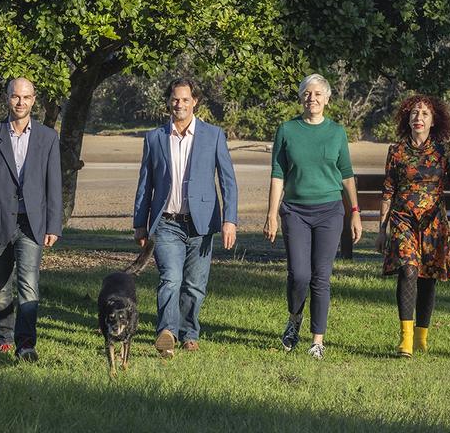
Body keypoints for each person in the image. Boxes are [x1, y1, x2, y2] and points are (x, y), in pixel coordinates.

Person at [133, 77, 238, 358]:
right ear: (168, 101)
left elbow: (228, 180)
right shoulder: (155, 138)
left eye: (184, 99)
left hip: (201, 224)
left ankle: (189, 332)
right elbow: (146, 184)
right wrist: (140, 223)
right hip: (166, 223)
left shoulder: (213, 135)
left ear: (195, 102)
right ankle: (166, 331)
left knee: (194, 285)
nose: (179, 104)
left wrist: (230, 220)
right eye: (174, 99)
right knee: (170, 278)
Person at [263, 73, 362, 360]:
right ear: (300, 98)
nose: (312, 98)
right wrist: (271, 213)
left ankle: (317, 340)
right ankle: (294, 319)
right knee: (299, 275)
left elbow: (346, 174)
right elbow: (278, 174)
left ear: (327, 99)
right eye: (307, 93)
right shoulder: (286, 130)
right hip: (295, 211)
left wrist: (354, 212)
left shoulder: (336, 132)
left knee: (321, 277)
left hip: (330, 211)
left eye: (318, 94)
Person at [0, 77, 62, 362]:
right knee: (1, 287)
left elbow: (54, 184)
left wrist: (53, 225)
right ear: (6, 99)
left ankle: (26, 345)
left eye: (26, 97)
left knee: (29, 284)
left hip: (33, 223)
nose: (20, 102)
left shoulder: (47, 137)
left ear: (34, 100)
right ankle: (4, 336)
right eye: (15, 97)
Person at [375, 95, 450, 357]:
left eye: (425, 114)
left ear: (434, 121)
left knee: (428, 278)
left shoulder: (443, 150)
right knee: (409, 270)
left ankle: (422, 338)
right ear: (407, 118)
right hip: (403, 219)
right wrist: (382, 230)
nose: (419, 118)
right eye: (415, 113)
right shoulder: (397, 151)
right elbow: (388, 190)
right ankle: (406, 339)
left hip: (433, 222)